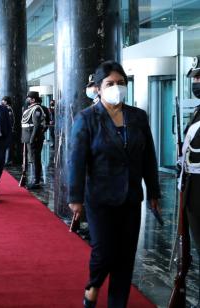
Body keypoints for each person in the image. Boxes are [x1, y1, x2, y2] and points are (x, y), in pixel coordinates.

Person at [67, 61, 160, 308]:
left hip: (130, 196)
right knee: (104, 251)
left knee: (125, 256)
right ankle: (93, 286)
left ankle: (117, 303)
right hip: (99, 198)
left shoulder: (138, 117)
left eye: (121, 83)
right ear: (98, 88)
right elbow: (76, 159)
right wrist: (75, 198)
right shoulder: (87, 118)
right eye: (110, 84)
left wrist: (153, 191)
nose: (116, 88)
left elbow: (148, 155)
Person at [179, 57, 200, 304]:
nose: (196, 82)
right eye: (195, 77)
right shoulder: (197, 111)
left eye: (199, 77)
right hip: (193, 188)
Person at [21, 91, 47, 189]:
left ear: (33, 99)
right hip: (28, 137)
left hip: (33, 138)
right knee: (32, 158)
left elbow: (36, 126)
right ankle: (34, 179)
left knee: (35, 159)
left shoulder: (36, 109)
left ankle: (36, 181)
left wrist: (32, 139)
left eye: (28, 98)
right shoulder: (30, 109)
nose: (27, 99)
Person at [0, 96, 16, 166]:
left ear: (6, 101)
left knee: (8, 146)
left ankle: (8, 161)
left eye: (3, 101)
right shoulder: (7, 108)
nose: (2, 102)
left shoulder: (8, 109)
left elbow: (10, 121)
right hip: (7, 130)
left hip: (8, 131)